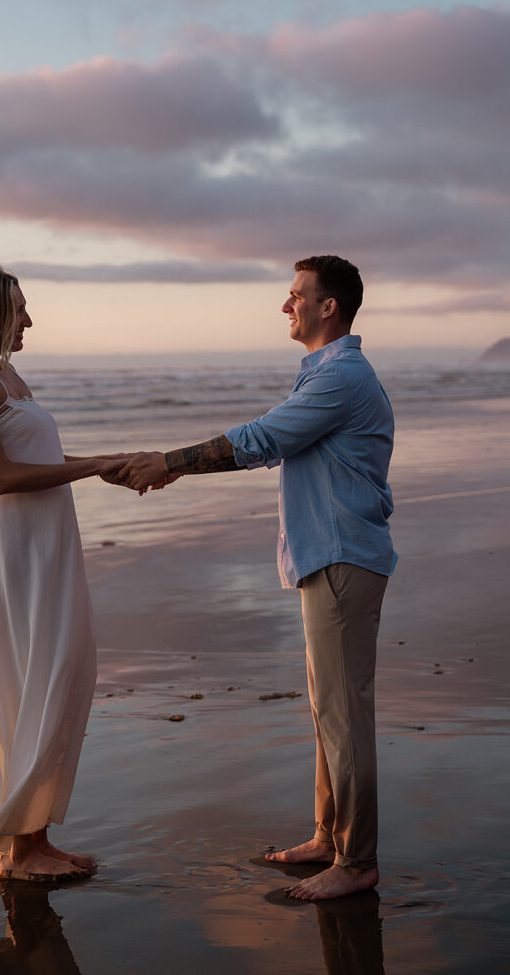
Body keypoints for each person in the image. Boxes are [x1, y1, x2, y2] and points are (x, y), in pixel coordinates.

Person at [113, 255, 397, 901]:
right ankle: (330, 836)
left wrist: (169, 461)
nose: (284, 304)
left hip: (341, 560)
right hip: (330, 559)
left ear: (329, 307)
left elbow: (262, 438)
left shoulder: (342, 377)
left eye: (295, 294)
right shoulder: (325, 375)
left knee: (344, 717)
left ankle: (357, 861)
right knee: (330, 710)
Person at [0, 263, 124, 882]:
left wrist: (104, 462)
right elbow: (2, 477)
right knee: (23, 676)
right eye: (18, 309)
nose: (28, 320)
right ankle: (19, 851)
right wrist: (94, 467)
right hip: (7, 549)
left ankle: (35, 836)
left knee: (59, 668)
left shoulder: (4, 373)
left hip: (45, 544)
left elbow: (34, 457)